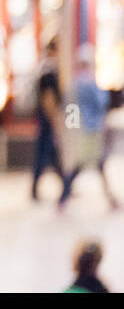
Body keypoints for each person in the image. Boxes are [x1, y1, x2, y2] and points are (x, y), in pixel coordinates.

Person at [59, 45, 118, 211]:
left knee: (91, 164)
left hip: (81, 130)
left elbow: (69, 110)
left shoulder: (74, 84)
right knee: (89, 164)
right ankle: (64, 198)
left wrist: (72, 131)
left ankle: (110, 198)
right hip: (92, 130)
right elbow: (102, 103)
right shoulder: (91, 83)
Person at [32, 40, 66, 200]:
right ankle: (64, 185)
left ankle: (66, 184)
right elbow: (49, 98)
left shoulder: (42, 69)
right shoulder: (49, 71)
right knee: (44, 153)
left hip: (44, 119)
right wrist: (54, 120)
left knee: (52, 154)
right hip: (47, 120)